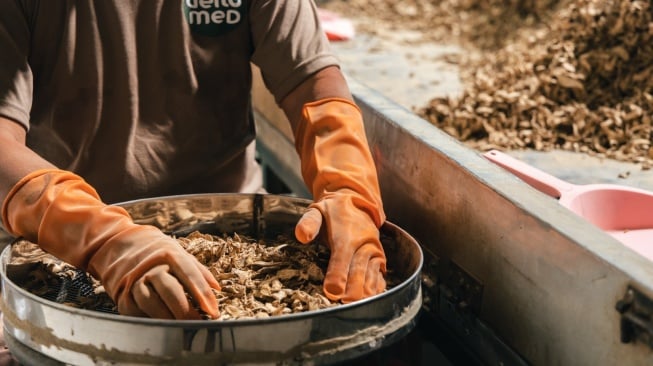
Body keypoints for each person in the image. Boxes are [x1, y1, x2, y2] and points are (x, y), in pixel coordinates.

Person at [0, 0, 386, 349]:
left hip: (235, 232)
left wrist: (348, 188)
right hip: (63, 249)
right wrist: (103, 240)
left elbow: (312, 82)